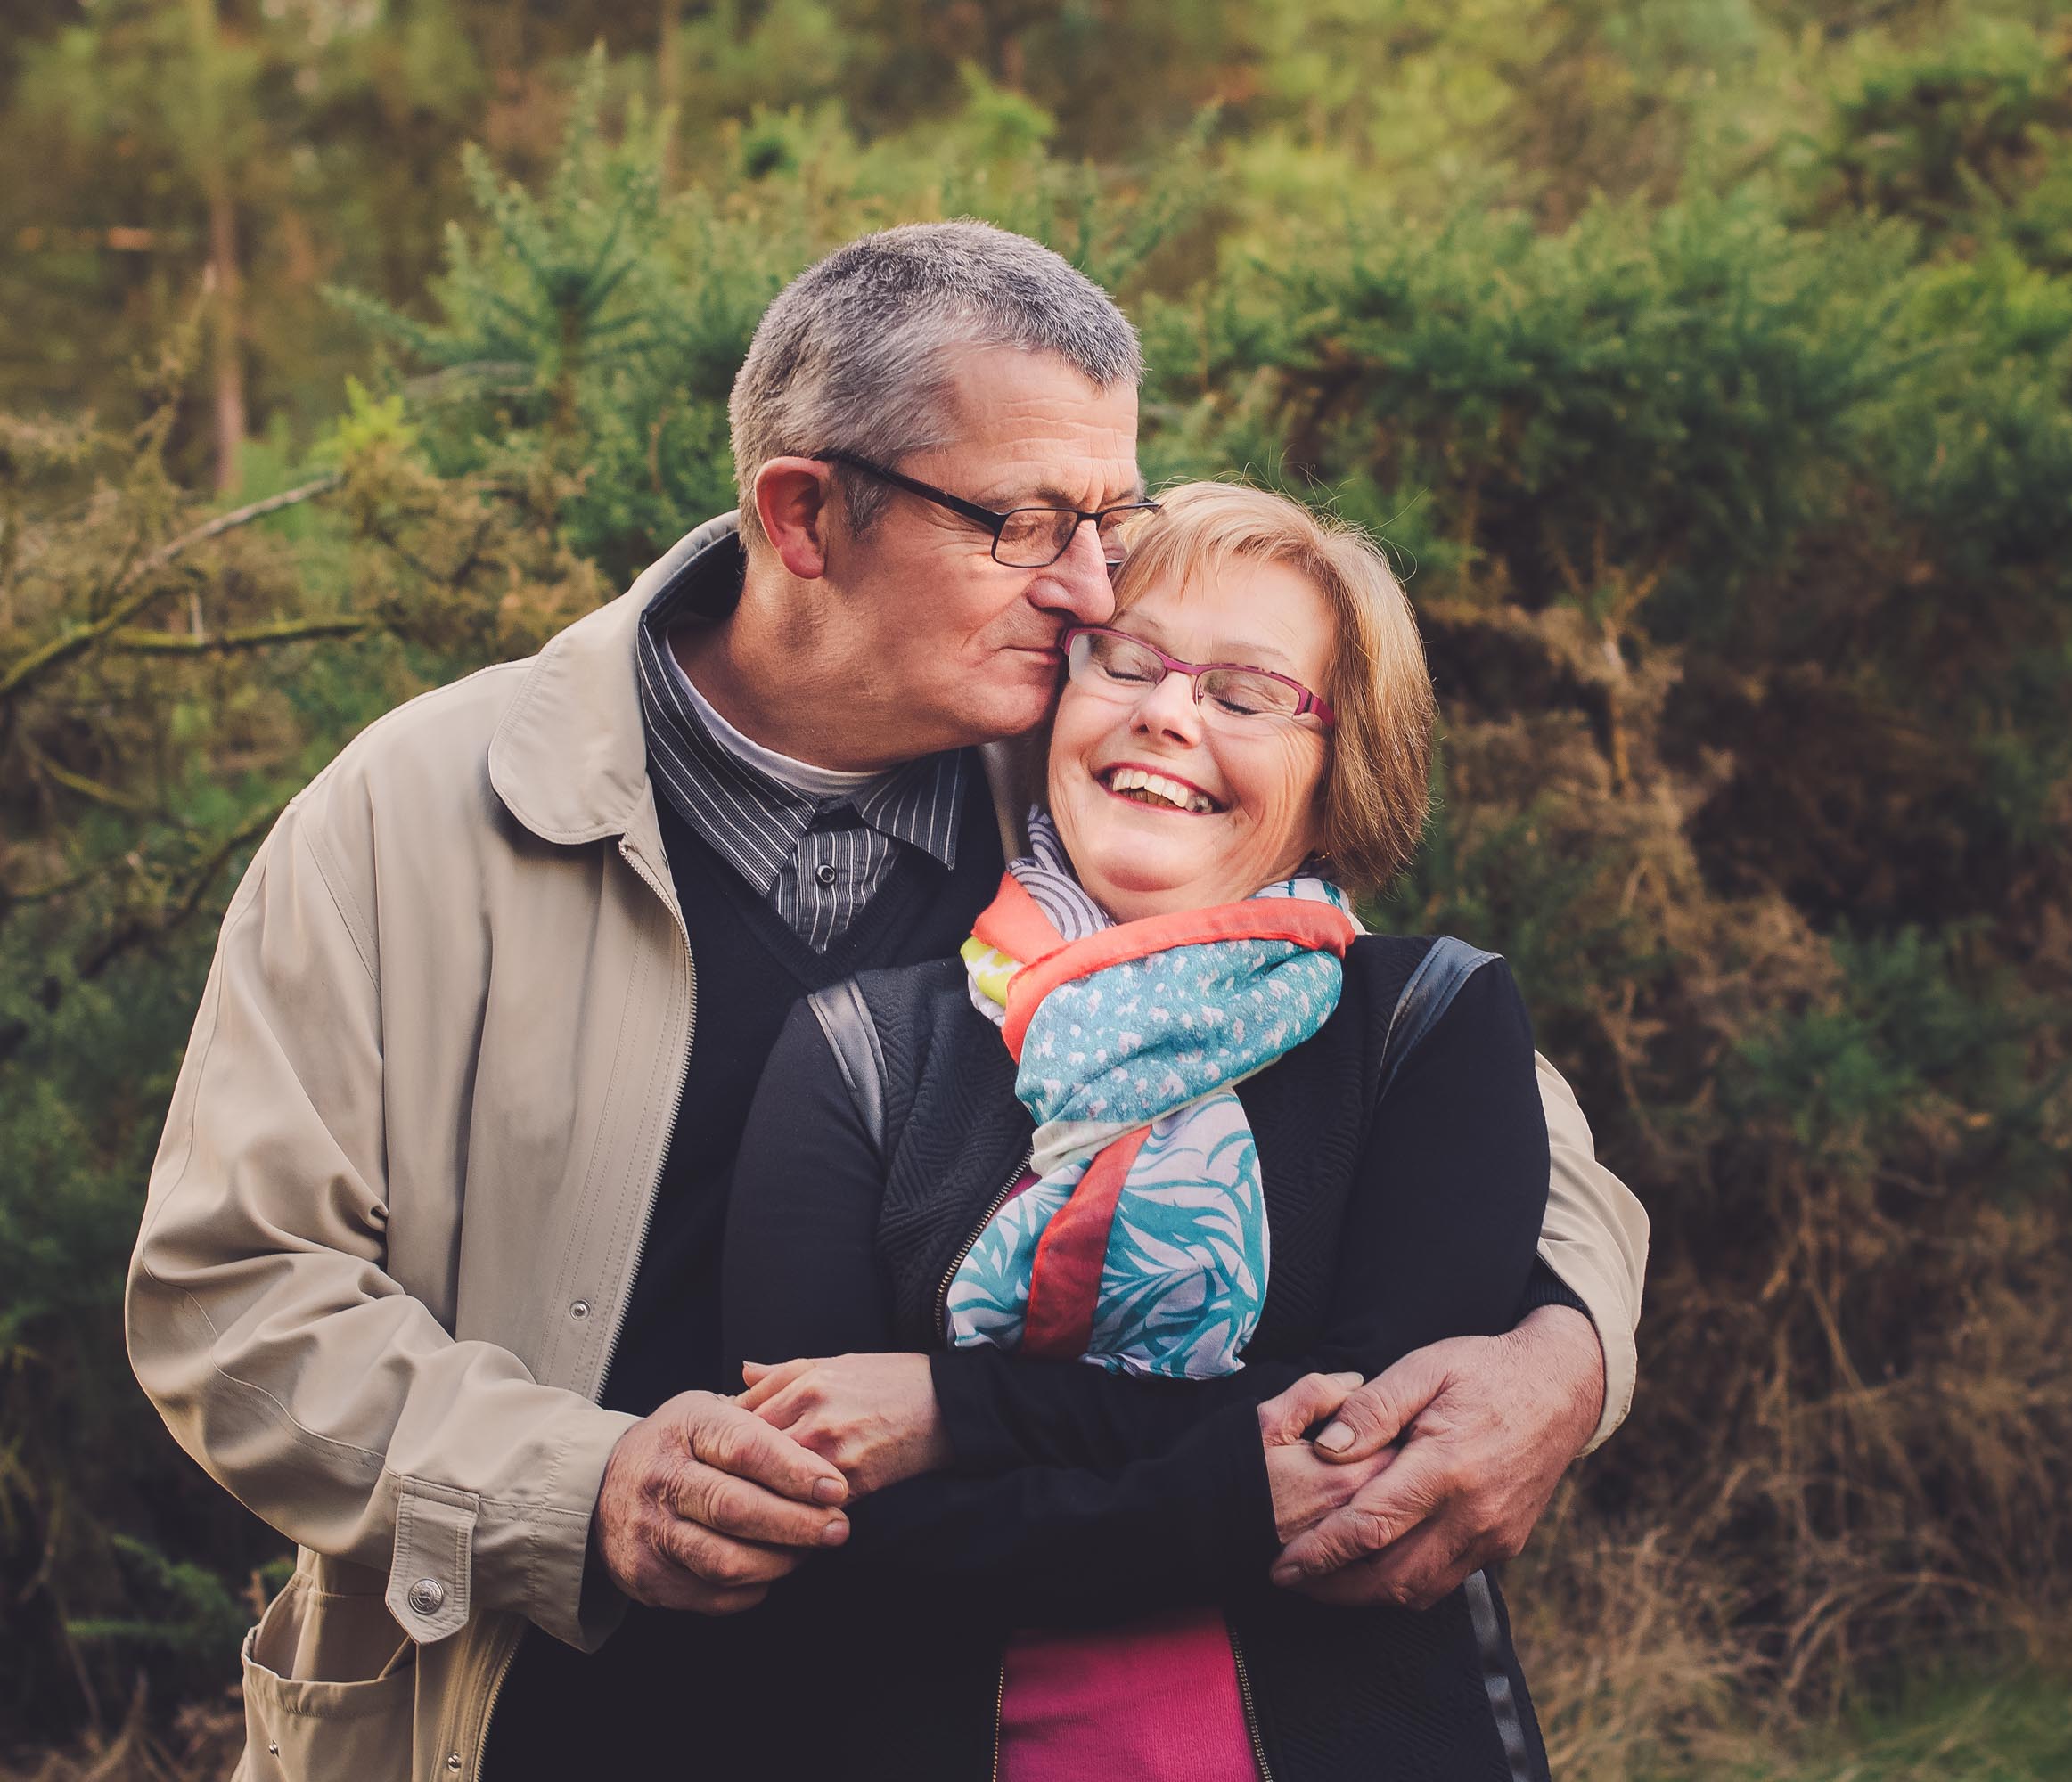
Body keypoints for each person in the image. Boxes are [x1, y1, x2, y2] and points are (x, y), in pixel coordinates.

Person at [125, 222, 1647, 1780]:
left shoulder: (1096, 774)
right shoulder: (419, 812)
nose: (1093, 584)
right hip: (530, 1722)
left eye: (1111, 515)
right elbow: (232, 1294)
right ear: (803, 515)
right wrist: (576, 1490)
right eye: (1026, 522)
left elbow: (1439, 1087)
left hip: (949, 1711)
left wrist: (1565, 1355)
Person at [684, 480, 1556, 1778]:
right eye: (1127, 661)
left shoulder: (1423, 1025)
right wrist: (1225, 1475)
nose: (1167, 711)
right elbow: (817, 1520)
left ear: (1338, 770)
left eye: (1248, 694)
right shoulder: (868, 1050)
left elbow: (1372, 1477)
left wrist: (951, 1413)